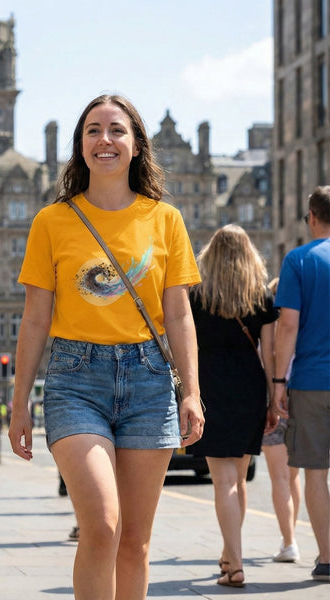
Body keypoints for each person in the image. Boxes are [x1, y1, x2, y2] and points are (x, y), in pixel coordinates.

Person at [8, 94, 204, 600]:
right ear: (80, 145)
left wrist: (192, 393)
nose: (105, 140)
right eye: (93, 130)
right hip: (76, 378)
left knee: (135, 543)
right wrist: (19, 402)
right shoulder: (52, 222)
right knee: (102, 524)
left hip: (148, 377)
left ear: (136, 145)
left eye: (116, 130)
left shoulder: (165, 220)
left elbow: (179, 314)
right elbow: (34, 319)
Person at [188, 225, 278, 587]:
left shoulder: (197, 294)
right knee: (238, 480)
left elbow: (186, 346)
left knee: (223, 481)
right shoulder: (259, 295)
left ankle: (234, 561)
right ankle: (230, 555)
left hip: (210, 387)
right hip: (249, 388)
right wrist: (274, 398)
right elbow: (268, 354)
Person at [272, 185, 330, 583]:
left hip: (312, 380)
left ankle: (327, 557)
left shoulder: (298, 260)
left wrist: (279, 381)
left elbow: (287, 325)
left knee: (315, 473)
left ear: (311, 217)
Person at [261, 277, 301, 563]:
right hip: (302, 396)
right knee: (294, 475)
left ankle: (289, 542)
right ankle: (291, 537)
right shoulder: (301, 329)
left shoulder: (269, 332)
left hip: (273, 403)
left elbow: (264, 364)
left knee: (279, 476)